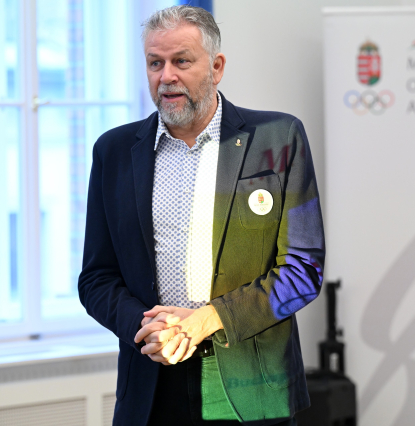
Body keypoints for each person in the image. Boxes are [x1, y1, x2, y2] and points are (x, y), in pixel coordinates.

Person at [78, 5, 325, 426]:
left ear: (217, 66)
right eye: (155, 63)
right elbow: (96, 278)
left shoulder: (277, 140)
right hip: (152, 385)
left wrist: (205, 321)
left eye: (182, 61)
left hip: (252, 388)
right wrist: (148, 328)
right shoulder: (114, 152)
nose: (166, 76)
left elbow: (303, 270)